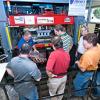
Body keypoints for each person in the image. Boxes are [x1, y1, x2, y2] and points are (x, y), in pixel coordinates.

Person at [46, 36, 70, 100]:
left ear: (53, 45)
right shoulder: (67, 53)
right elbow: (67, 66)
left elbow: (48, 69)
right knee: (61, 92)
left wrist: (50, 76)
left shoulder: (53, 54)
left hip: (55, 79)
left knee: (52, 93)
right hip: (64, 77)